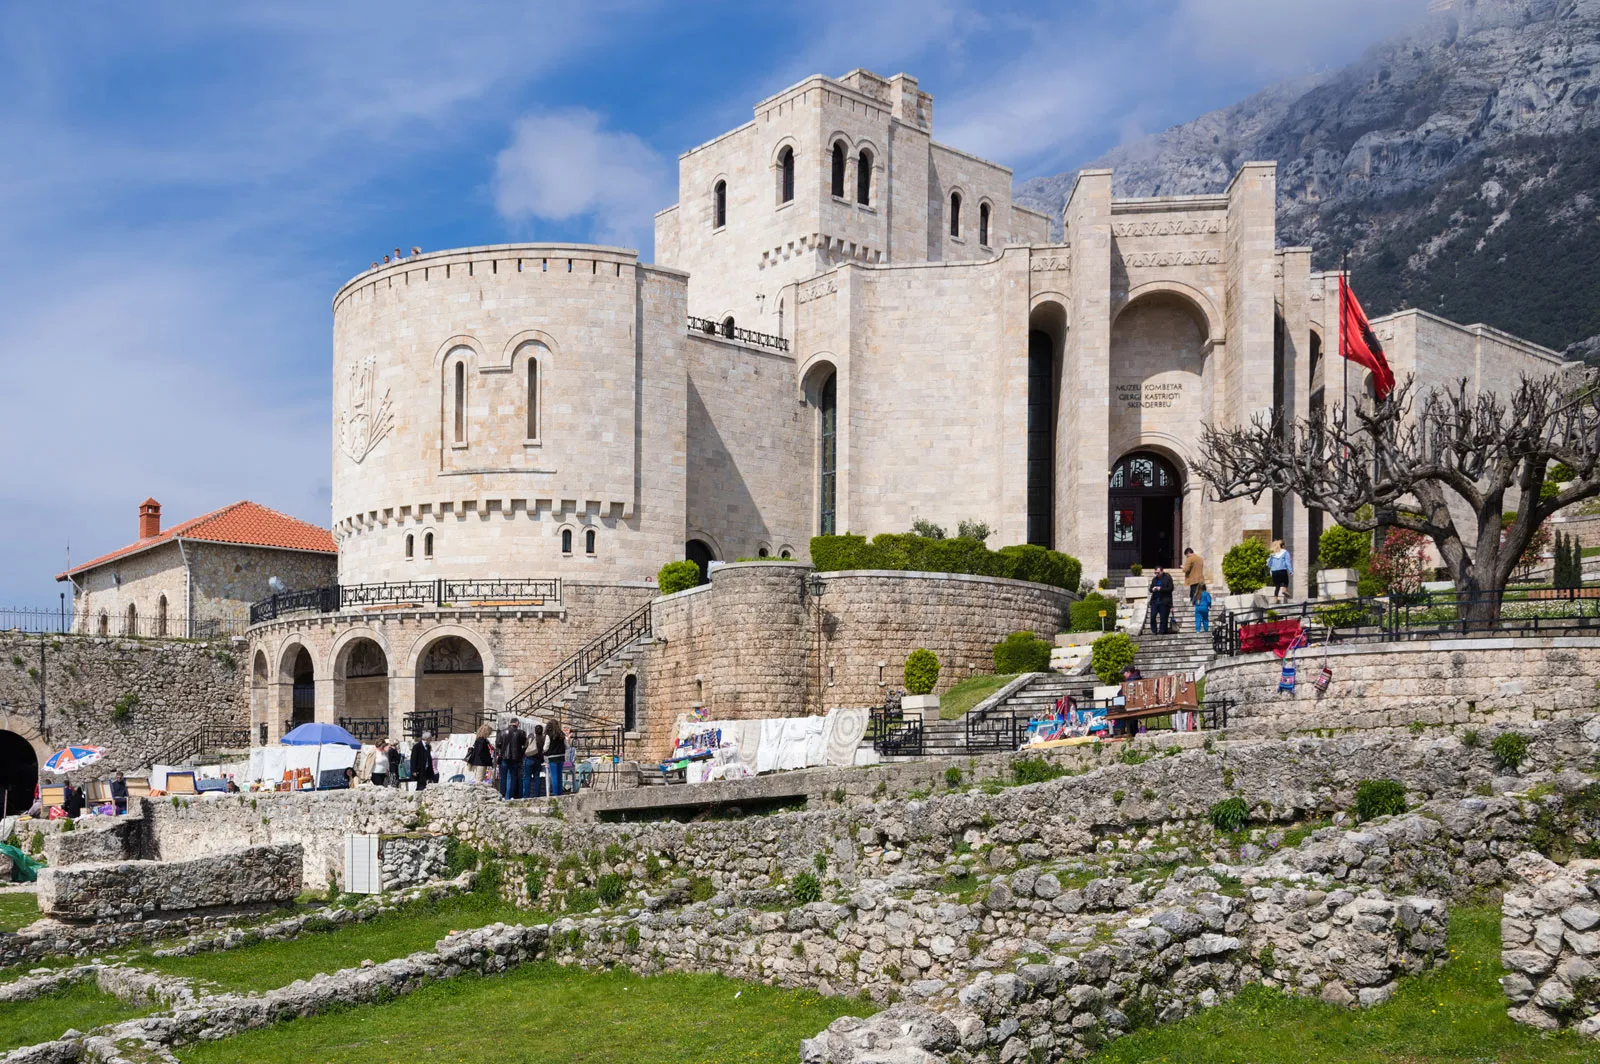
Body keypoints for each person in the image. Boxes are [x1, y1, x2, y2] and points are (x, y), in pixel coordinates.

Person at [496, 717, 526, 799]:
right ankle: (509, 796)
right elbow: (524, 744)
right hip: (515, 758)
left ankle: (502, 795)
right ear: (517, 723)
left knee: (503, 777)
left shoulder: (502, 732)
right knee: (512, 777)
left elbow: (498, 744)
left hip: (504, 757)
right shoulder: (521, 733)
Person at [1148, 566, 1175, 635]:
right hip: (1155, 601)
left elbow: (1170, 589)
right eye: (1155, 573)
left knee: (1163, 618)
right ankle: (1154, 630)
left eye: (1158, 572)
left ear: (1162, 571)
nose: (1157, 574)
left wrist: (1160, 589)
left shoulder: (1168, 578)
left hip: (1164, 601)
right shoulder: (1154, 579)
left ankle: (1162, 631)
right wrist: (1152, 589)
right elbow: (1150, 589)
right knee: (1152, 616)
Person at [544, 720, 567, 797]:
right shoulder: (562, 734)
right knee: (559, 776)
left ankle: (556, 794)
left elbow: (545, 747)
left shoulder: (549, 735)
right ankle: (560, 793)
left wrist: (543, 751)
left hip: (552, 757)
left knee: (554, 777)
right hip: (561, 756)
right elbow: (567, 746)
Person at [529, 723, 546, 798]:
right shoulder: (543, 739)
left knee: (527, 778)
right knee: (537, 778)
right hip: (538, 760)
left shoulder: (532, 738)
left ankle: (527, 795)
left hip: (530, 758)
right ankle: (536, 795)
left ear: (535, 731)